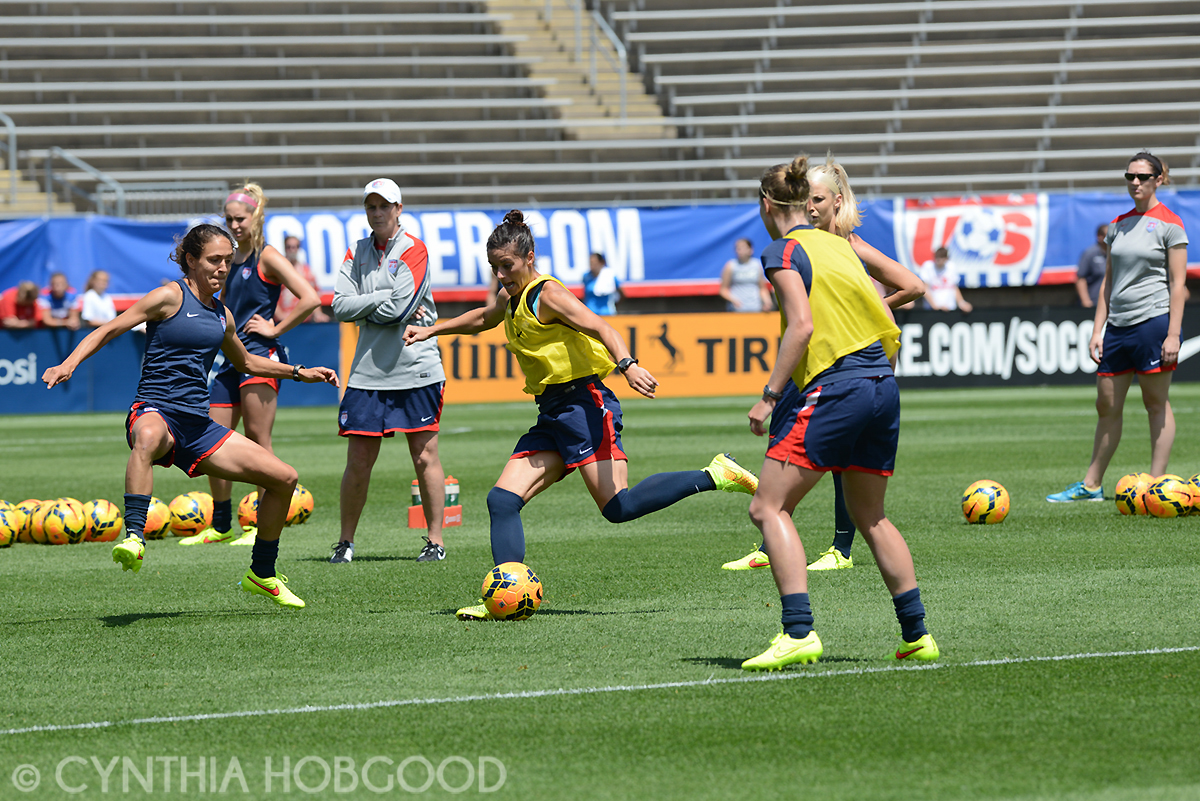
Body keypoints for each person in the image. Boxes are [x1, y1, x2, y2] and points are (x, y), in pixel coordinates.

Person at [403, 210, 761, 620]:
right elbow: (485, 318)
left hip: (585, 404)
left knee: (618, 508)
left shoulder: (547, 294)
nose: (501, 275)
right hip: (553, 412)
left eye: (508, 265)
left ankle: (715, 474)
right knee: (501, 500)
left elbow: (601, 328)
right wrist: (432, 330)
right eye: (494, 267)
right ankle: (504, 596)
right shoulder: (511, 296)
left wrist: (628, 365)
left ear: (530, 257)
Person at [41, 224, 338, 606]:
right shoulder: (167, 296)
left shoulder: (222, 316)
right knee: (147, 438)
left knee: (284, 478)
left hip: (198, 427)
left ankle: (262, 573)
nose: (222, 268)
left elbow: (247, 362)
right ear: (191, 260)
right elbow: (109, 329)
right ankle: (134, 535)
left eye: (228, 262)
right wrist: (68, 363)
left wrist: (299, 371)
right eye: (214, 260)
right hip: (155, 411)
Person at [740, 154, 938, 670]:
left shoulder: (782, 250)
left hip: (839, 386)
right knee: (871, 515)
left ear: (766, 203)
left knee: (768, 508)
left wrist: (769, 393)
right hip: (881, 383)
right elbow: (904, 290)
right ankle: (917, 634)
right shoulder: (840, 244)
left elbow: (800, 326)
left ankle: (798, 631)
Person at [179, 184, 322, 548]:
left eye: (239, 218)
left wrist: (276, 327)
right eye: (228, 218)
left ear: (255, 216)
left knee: (259, 441)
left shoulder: (267, 256)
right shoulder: (227, 259)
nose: (233, 224)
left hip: (261, 356)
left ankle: (260, 524)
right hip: (232, 358)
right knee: (208, 440)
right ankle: (223, 523)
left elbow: (310, 298)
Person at [1047, 152, 1188, 503]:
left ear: (1158, 179)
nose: (1135, 182)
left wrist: (1173, 333)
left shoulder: (1171, 224)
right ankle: (1091, 485)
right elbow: (1108, 284)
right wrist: (1098, 330)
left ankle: (1156, 487)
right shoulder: (1118, 225)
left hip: (1153, 323)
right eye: (1130, 176)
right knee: (1106, 404)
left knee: (1155, 403)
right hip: (1118, 327)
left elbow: (1178, 285)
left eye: (1142, 177)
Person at [331, 178, 448, 564]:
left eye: (385, 206)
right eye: (371, 206)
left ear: (399, 209)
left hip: (416, 368)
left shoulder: (415, 249)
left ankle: (435, 541)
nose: (378, 212)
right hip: (367, 372)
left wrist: (364, 304)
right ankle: (345, 542)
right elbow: (338, 305)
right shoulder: (357, 250)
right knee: (358, 462)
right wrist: (382, 298)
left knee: (425, 456)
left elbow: (399, 310)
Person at [276, 236, 331, 323]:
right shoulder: (277, 269)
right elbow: (269, 296)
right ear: (285, 248)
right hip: (283, 320)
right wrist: (280, 315)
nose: (292, 250)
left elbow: (314, 295)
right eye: (289, 247)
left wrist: (318, 314)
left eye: (295, 247)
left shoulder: (306, 271)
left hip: (303, 321)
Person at [719, 238, 772, 312]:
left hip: (756, 309)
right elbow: (723, 290)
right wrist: (734, 301)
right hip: (737, 310)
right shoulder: (730, 265)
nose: (739, 251)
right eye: (737, 248)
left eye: (743, 247)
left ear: (750, 250)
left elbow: (762, 288)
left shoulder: (756, 265)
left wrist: (767, 302)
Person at [918, 247, 972, 313]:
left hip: (950, 308)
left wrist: (962, 303)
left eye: (940, 258)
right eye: (936, 257)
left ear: (946, 259)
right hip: (932, 310)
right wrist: (936, 307)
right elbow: (925, 289)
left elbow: (954, 288)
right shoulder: (928, 267)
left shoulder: (951, 267)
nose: (938, 260)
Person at [1076, 223, 1110, 309]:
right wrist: (1086, 301)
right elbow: (1081, 279)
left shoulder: (1115, 253)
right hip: (1095, 302)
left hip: (1112, 303)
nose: (1111, 238)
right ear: (1100, 237)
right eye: (1108, 235)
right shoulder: (1090, 254)